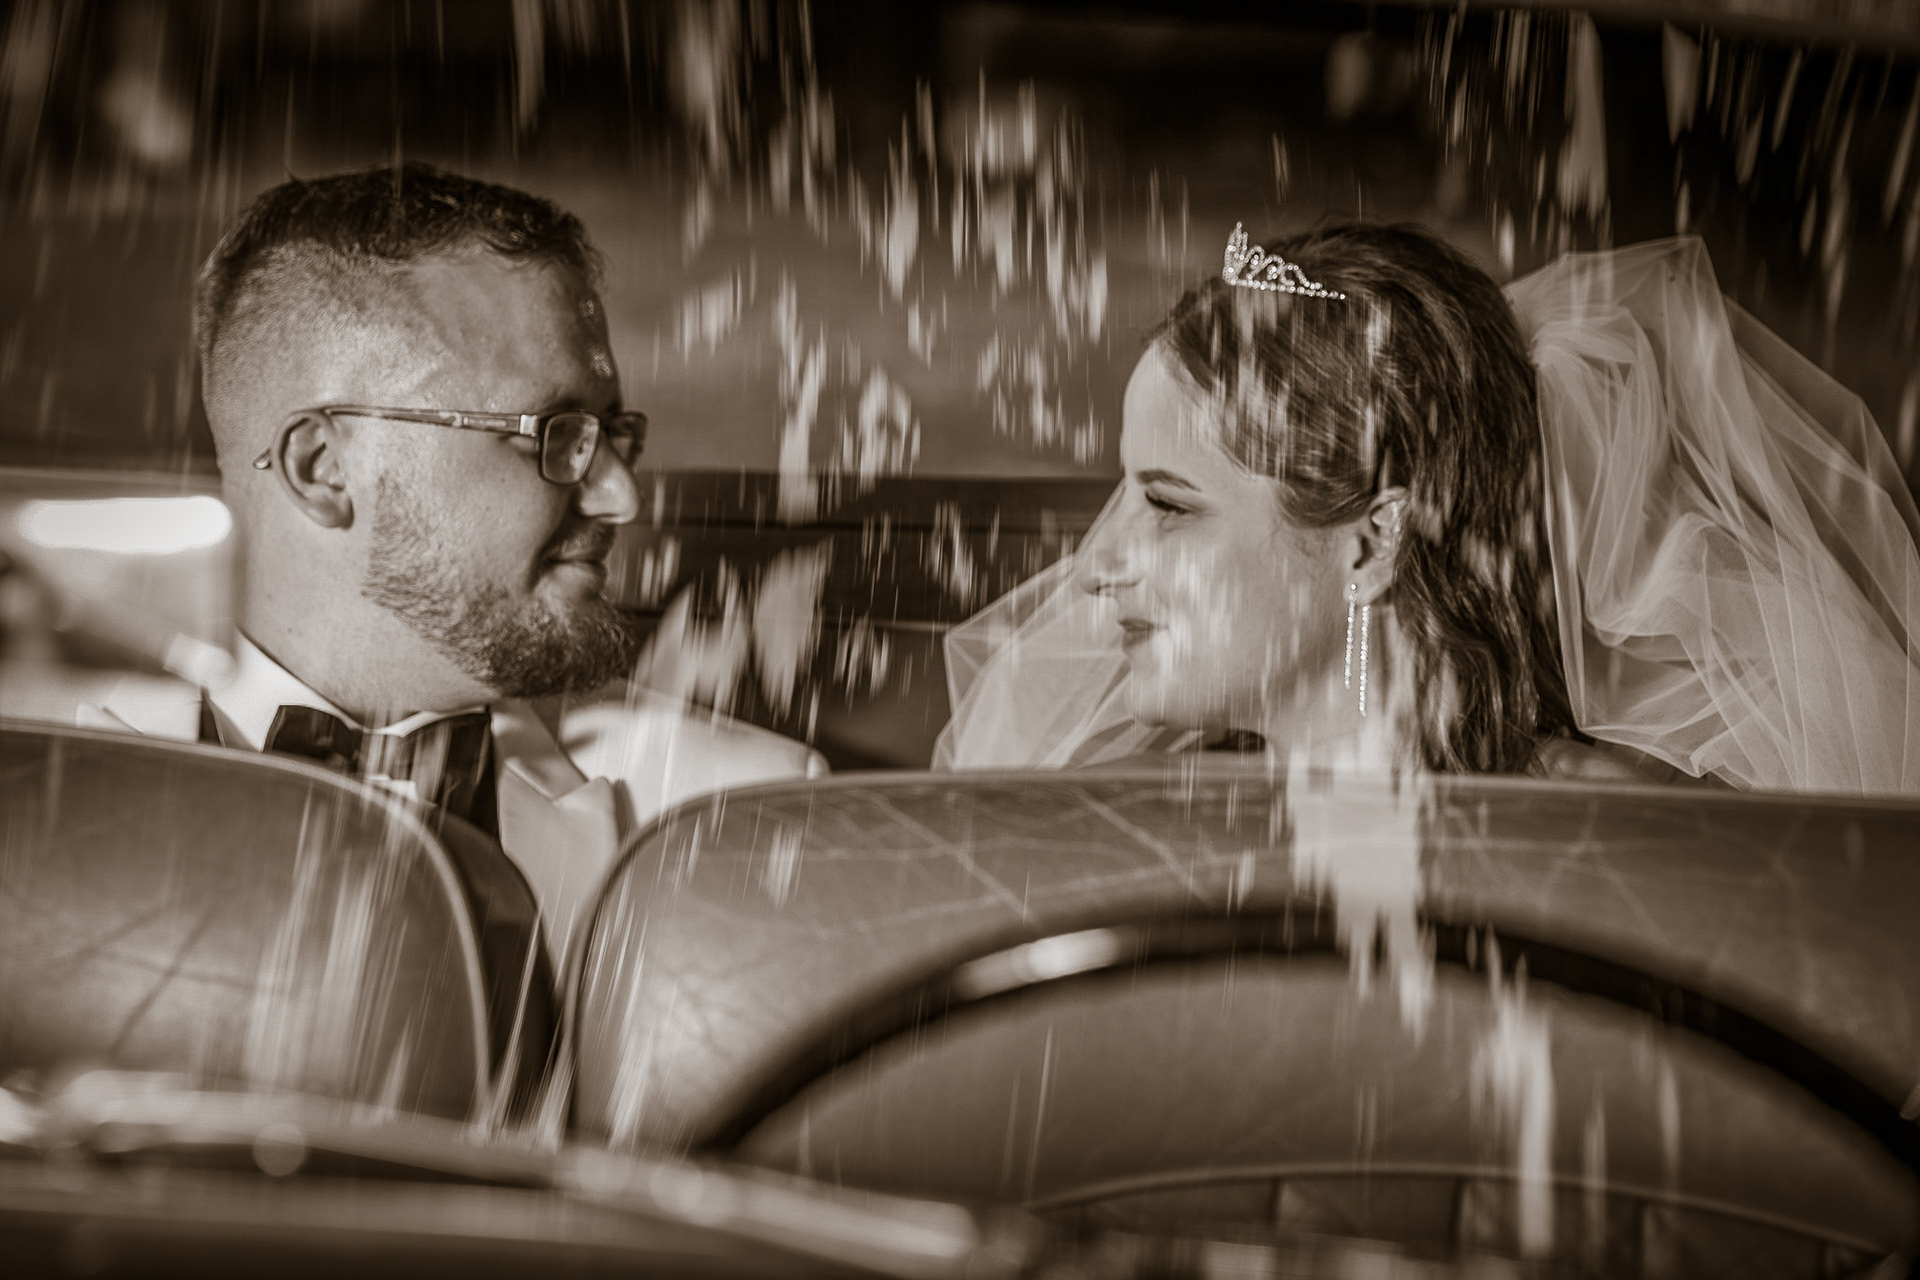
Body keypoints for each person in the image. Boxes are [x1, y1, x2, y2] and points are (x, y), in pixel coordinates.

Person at [85, 162, 825, 954]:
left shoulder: (739, 812)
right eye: (555, 436)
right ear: (324, 468)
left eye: (615, 436)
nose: (621, 498)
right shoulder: (32, 777)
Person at [937, 222, 1920, 795]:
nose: (1097, 561)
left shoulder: (1603, 836)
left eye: (1166, 504)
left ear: (1374, 544)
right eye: (1124, 491)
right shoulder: (1131, 806)